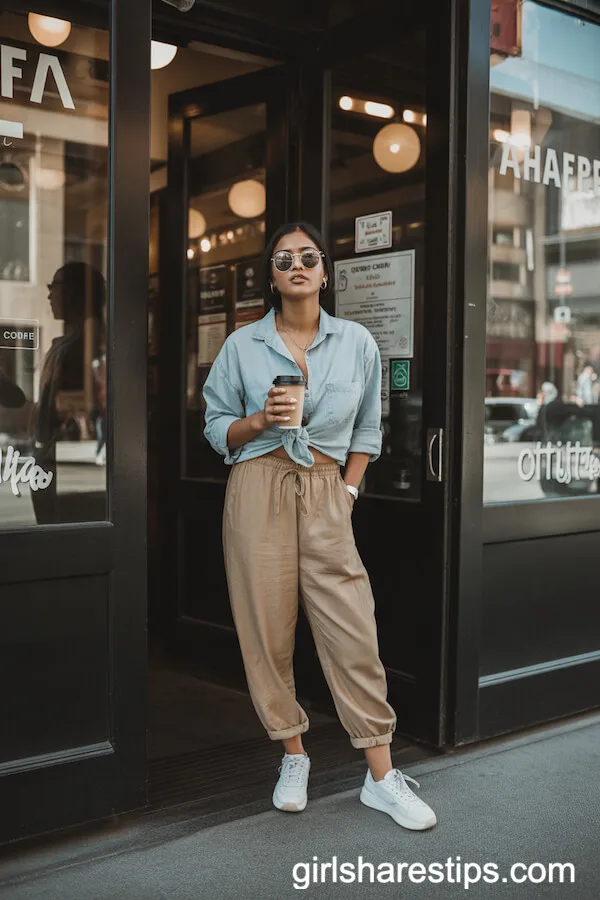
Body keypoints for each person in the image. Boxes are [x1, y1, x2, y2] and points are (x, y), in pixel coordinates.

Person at [202, 222, 436, 831]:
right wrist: (257, 421)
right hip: (258, 484)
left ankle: (381, 777)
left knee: (351, 625)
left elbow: (367, 431)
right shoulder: (242, 345)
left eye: (309, 257)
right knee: (265, 627)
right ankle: (293, 753)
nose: (298, 266)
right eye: (285, 259)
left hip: (327, 486)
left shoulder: (357, 341)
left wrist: (349, 490)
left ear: (325, 271)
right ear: (273, 275)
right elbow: (214, 426)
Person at [32, 262, 106, 523]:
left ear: (76, 292)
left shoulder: (86, 343)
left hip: (62, 456)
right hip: (53, 455)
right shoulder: (72, 342)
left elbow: (72, 403)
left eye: (55, 287)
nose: (50, 295)